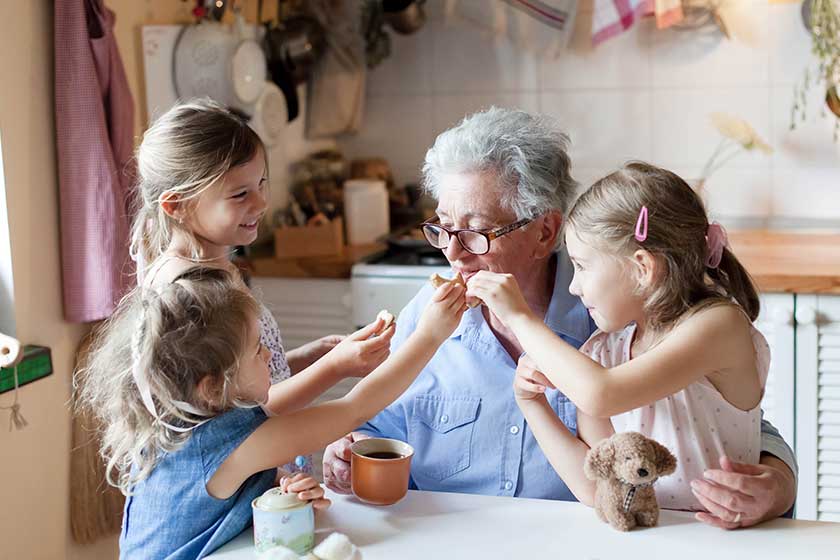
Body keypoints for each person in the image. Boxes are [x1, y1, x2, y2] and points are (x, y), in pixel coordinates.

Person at [323, 108, 797, 529]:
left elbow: (729, 428)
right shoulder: (425, 317)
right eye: (443, 227)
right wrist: (349, 449)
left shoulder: (618, 315)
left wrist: (777, 485)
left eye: (476, 232)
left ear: (545, 231)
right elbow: (377, 425)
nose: (452, 252)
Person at [76, 267, 466, 558]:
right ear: (212, 387)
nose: (269, 355)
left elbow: (271, 408)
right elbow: (354, 409)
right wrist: (430, 335)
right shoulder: (226, 448)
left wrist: (338, 365)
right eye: (256, 349)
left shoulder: (188, 419)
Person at [469, 162, 777, 522]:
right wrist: (531, 402)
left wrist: (520, 318)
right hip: (644, 539)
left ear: (642, 268)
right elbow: (597, 488)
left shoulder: (718, 325)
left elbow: (601, 394)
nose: (574, 286)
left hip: (724, 541)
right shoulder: (605, 350)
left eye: (582, 266)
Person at [129, 98, 394, 443]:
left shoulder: (214, 268)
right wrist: (335, 367)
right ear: (177, 205)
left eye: (262, 183)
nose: (261, 202)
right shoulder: (193, 292)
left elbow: (239, 382)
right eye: (240, 194)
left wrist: (306, 358)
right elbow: (252, 414)